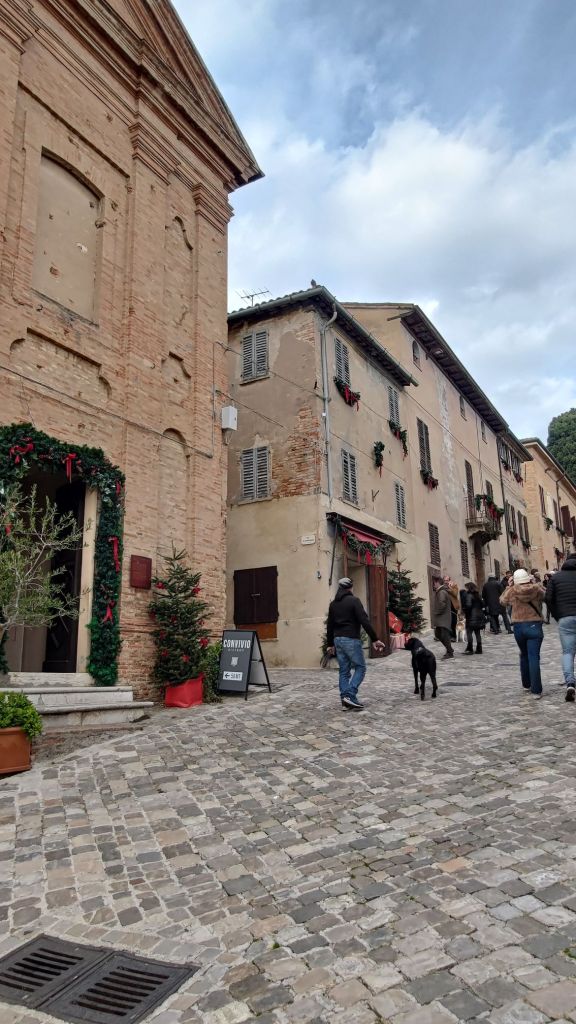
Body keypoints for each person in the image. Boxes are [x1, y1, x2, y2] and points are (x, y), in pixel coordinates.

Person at [326, 578, 385, 710]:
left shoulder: (333, 604)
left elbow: (330, 625)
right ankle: (350, 695)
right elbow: (365, 621)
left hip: (338, 640)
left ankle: (345, 700)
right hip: (351, 639)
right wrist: (375, 639)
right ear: (350, 588)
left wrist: (330, 644)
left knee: (344, 671)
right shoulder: (354, 601)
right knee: (360, 667)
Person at [501, 568, 545, 699]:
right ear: (528, 578)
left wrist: (509, 586)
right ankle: (536, 691)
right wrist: (534, 582)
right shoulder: (536, 589)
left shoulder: (512, 590)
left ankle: (526, 684)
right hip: (534, 625)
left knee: (524, 655)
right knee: (534, 657)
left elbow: (502, 601)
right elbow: (546, 595)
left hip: (519, 626)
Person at [545, 557, 576, 702]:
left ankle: (570, 682)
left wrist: (558, 616)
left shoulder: (555, 578)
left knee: (568, 652)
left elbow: (548, 599)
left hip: (565, 618)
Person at [431, 577, 454, 659]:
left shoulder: (441, 592)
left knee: (444, 635)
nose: (433, 585)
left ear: (437, 583)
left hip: (443, 618)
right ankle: (449, 650)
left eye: (434, 583)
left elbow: (442, 604)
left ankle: (450, 652)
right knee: (438, 634)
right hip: (442, 618)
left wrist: (437, 612)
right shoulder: (441, 591)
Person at [462, 581, 485, 654]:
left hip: (471, 617)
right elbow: (483, 604)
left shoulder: (469, 595)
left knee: (469, 633)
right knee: (477, 633)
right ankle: (479, 649)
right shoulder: (478, 595)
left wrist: (465, 611)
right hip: (479, 616)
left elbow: (468, 606)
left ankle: (470, 649)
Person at [443, 575, 460, 640]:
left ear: (449, 580)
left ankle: (454, 636)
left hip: (453, 606)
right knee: (447, 621)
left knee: (453, 621)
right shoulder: (443, 587)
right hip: (446, 606)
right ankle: (448, 635)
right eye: (444, 580)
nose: (445, 582)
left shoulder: (454, 585)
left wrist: (450, 588)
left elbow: (455, 594)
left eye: (447, 580)